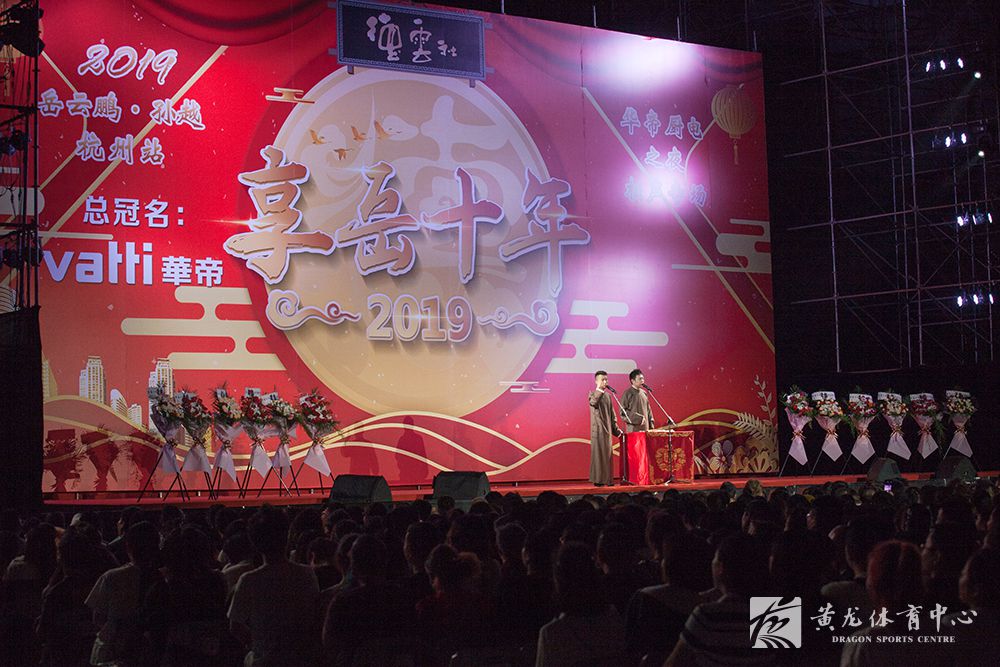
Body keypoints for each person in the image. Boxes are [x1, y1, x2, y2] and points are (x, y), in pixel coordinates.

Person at [588, 370, 622, 486]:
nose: (605, 382)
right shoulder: (593, 394)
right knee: (598, 457)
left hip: (607, 431)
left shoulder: (608, 396)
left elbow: (612, 416)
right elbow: (593, 402)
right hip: (597, 431)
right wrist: (599, 390)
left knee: (608, 457)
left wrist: (617, 431)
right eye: (602, 380)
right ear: (596, 381)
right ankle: (598, 480)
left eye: (606, 379)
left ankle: (608, 480)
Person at [620, 369, 654, 484]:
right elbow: (623, 413)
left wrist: (651, 424)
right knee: (635, 455)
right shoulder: (627, 393)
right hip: (633, 430)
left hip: (645, 429)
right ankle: (634, 479)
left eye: (643, 378)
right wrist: (637, 419)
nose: (642, 381)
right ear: (632, 380)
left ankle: (644, 478)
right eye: (640, 379)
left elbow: (648, 411)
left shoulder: (644, 393)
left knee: (644, 455)